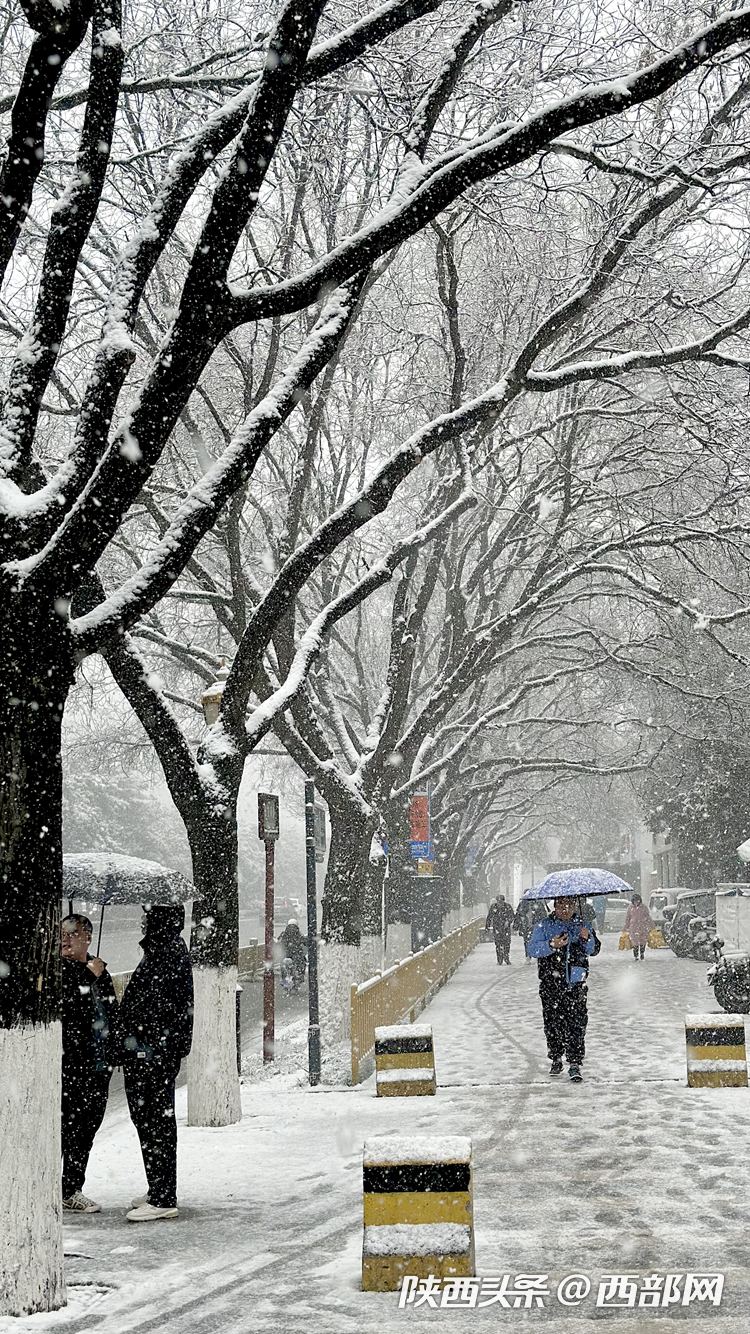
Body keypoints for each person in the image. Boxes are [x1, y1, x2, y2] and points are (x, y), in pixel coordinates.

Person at [119, 904, 193, 1222]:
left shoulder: (167, 952)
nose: (142, 921)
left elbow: (156, 1006)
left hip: (154, 1053)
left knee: (155, 1121)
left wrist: (138, 1038)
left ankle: (163, 1196)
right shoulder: (164, 949)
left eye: (147, 916)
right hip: (153, 1051)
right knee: (149, 1120)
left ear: (158, 920)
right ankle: (157, 1188)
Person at [61, 913, 119, 1213]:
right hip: (70, 1065)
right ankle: (56, 1186)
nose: (66, 938)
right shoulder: (58, 971)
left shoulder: (100, 971)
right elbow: (66, 1006)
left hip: (99, 1064)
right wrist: (88, 976)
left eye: (72, 933)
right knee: (63, 1127)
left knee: (86, 1130)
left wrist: (117, 1050)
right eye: (62, 933)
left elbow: (111, 1012)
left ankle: (71, 1187)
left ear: (87, 937)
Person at [528, 896, 601, 1083]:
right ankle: (556, 1057)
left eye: (569, 905)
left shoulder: (582, 925)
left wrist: (587, 938)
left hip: (576, 984)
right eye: (561, 905)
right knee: (553, 1024)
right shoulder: (544, 926)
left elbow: (593, 949)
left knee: (577, 1024)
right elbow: (533, 949)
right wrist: (552, 945)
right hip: (550, 984)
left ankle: (575, 1062)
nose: (566, 909)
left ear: (575, 906)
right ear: (555, 906)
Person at [514, 897, 547, 964]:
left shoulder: (536, 904)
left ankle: (530, 956)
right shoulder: (524, 904)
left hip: (532, 926)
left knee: (529, 942)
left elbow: (518, 915)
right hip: (528, 926)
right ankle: (529, 955)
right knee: (528, 942)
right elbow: (518, 915)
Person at [485, 895, 515, 964]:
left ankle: (506, 957)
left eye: (501, 902)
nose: (500, 903)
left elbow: (512, 916)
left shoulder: (508, 907)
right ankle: (499, 959)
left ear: (503, 901)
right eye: (498, 902)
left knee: (507, 943)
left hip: (506, 929)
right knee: (498, 944)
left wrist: (508, 921)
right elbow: (489, 917)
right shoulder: (493, 907)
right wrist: (487, 927)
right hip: (497, 928)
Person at [624, 892, 654, 961]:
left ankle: (642, 953)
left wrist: (652, 926)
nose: (636, 902)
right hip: (633, 927)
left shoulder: (643, 907)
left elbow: (648, 917)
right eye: (635, 901)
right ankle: (636, 955)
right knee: (635, 942)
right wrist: (625, 927)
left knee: (643, 941)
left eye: (638, 900)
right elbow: (627, 918)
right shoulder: (630, 908)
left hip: (642, 927)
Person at [278, 919, 307, 986]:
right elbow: (305, 942)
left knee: (282, 966)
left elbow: (279, 941)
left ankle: (284, 980)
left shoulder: (284, 934)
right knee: (303, 962)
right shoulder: (299, 934)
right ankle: (300, 976)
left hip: (286, 954)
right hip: (296, 954)